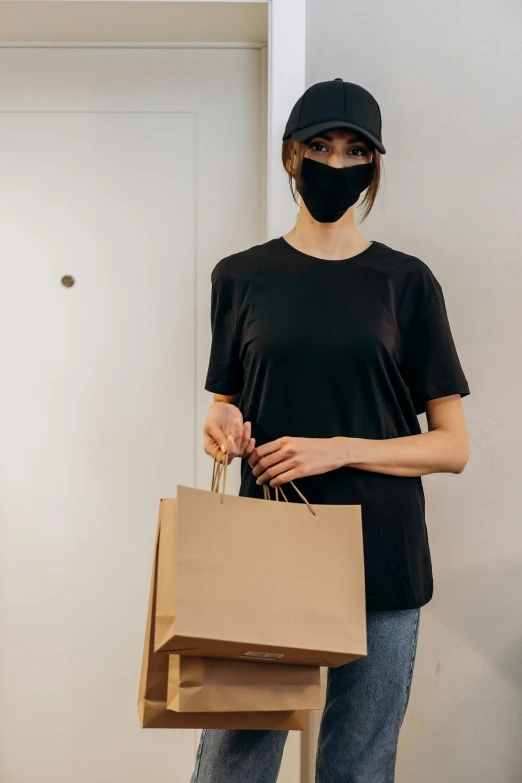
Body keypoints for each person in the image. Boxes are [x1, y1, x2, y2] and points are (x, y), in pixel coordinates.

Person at [195, 78, 470, 783]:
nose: (335, 164)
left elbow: (452, 445)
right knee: (234, 764)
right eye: (320, 145)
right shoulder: (241, 277)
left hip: (380, 555)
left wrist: (340, 447)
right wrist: (220, 422)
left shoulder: (406, 282)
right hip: (263, 555)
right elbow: (227, 404)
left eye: (355, 151)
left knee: (357, 768)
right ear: (291, 156)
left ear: (374, 166)